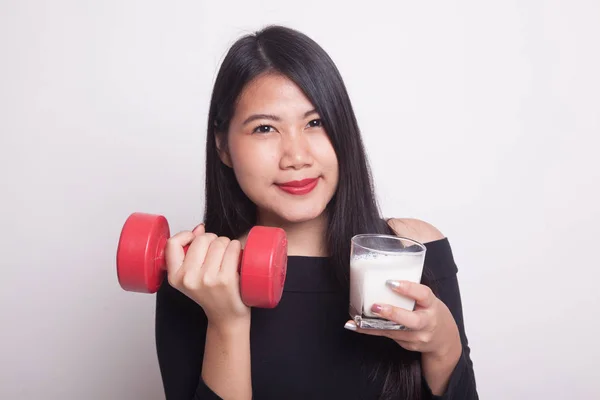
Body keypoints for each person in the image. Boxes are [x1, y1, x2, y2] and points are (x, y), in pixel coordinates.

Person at [155, 25, 478, 400]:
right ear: (223, 147)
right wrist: (227, 323)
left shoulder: (413, 250)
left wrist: (443, 346)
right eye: (264, 128)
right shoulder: (195, 275)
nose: (296, 157)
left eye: (315, 122)